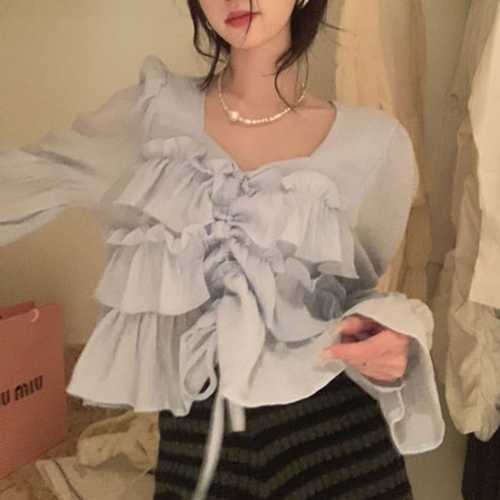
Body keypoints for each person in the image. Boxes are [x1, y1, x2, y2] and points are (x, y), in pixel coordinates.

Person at [0, 0, 445, 499]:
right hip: (195, 439)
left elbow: (357, 299)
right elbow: (24, 180)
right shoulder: (151, 114)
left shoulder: (374, 144)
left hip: (335, 434)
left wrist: (397, 341)